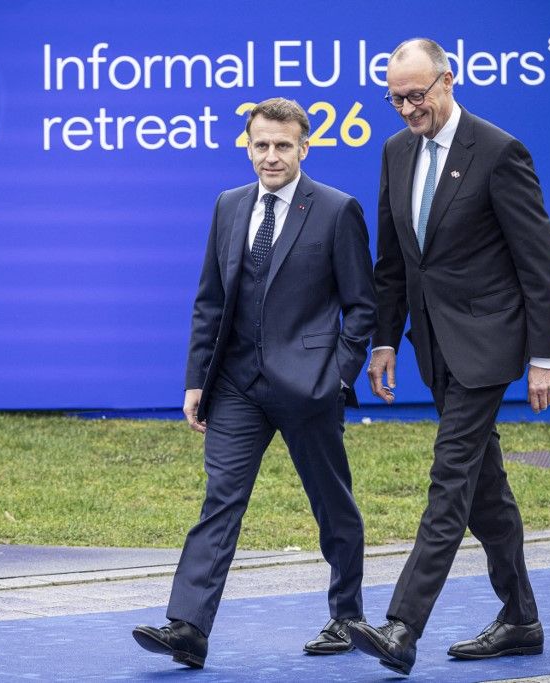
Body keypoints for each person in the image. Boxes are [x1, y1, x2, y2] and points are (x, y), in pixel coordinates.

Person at [131, 98, 377, 669]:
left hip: (308, 387)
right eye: (260, 144)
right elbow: (210, 300)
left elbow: (362, 307)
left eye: (283, 146)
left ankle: (347, 616)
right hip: (236, 386)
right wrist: (197, 380)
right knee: (220, 501)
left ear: (304, 147)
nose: (271, 156)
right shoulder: (229, 205)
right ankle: (188, 626)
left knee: (332, 503)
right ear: (247, 145)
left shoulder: (338, 210)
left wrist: (336, 376)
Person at [348, 38, 550, 677]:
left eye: (417, 95)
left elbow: (539, 263)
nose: (408, 109)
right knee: (483, 492)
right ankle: (521, 618)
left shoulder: (499, 152)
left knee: (450, 479)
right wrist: (385, 340)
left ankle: (402, 625)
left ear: (448, 80)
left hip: (489, 344)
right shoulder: (394, 151)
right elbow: (393, 263)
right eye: (396, 100)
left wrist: (544, 355)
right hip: (431, 347)